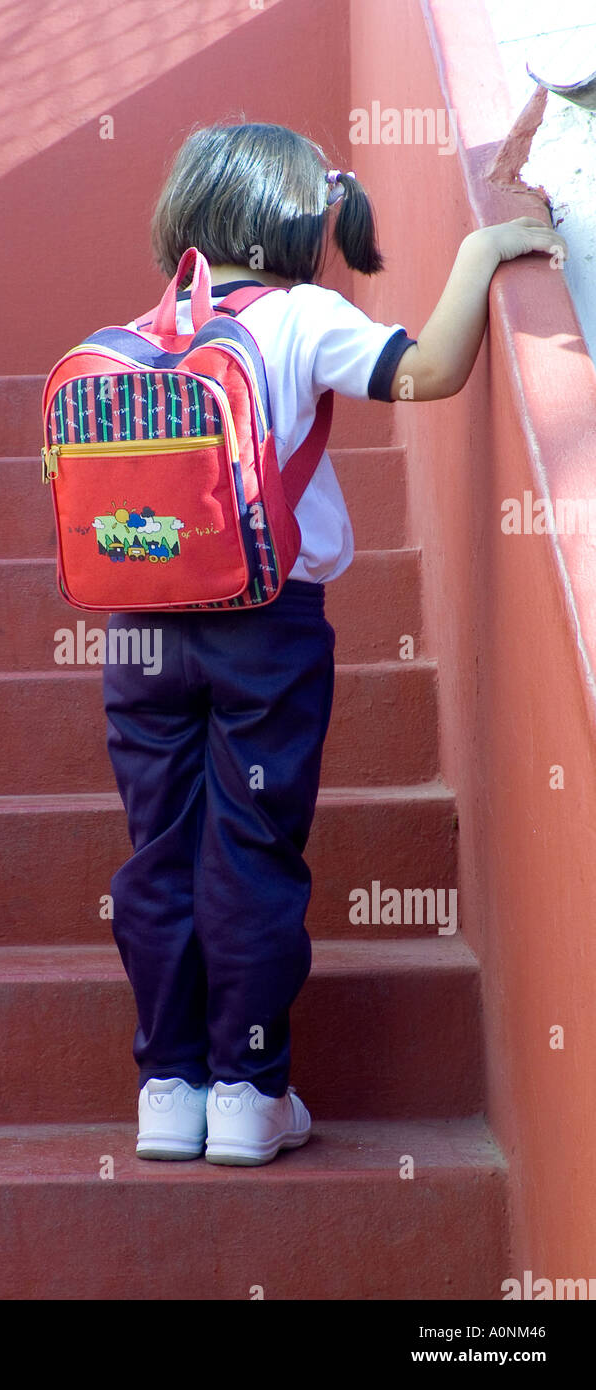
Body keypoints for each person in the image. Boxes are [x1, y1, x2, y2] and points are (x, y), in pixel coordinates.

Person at [101, 121, 567, 1166]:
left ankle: (167, 1089)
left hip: (137, 640)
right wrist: (483, 252)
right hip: (263, 634)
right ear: (303, 221)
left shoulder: (147, 327)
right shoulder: (305, 317)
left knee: (160, 856)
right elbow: (433, 370)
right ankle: (248, 1094)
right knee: (250, 857)